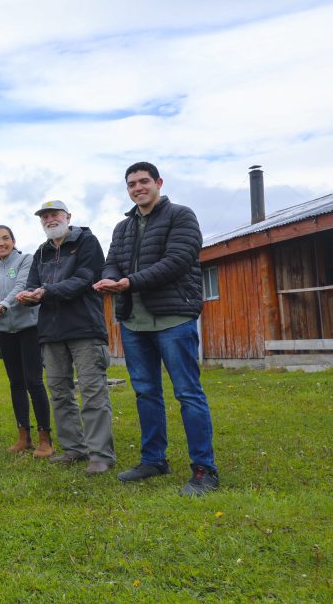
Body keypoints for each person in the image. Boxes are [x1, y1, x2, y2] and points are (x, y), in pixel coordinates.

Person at [94, 162, 219, 496]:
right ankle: (153, 460)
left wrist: (128, 281)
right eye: (131, 184)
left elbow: (177, 260)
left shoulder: (182, 216)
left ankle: (204, 469)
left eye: (143, 181)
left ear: (158, 182)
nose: (138, 188)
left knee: (188, 393)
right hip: (134, 322)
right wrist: (111, 278)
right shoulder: (122, 228)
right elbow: (111, 261)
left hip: (173, 319)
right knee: (146, 393)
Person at [16, 201, 115, 475]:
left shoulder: (87, 242)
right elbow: (32, 285)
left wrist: (45, 292)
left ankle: (100, 454)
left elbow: (85, 279)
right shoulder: (41, 252)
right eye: (44, 216)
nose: (49, 219)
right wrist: (27, 296)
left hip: (84, 328)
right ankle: (74, 448)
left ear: (68, 217)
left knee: (93, 392)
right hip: (51, 331)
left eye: (54, 214)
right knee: (59, 393)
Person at [0, 225, 54, 457]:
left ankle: (45, 438)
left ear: (13, 240)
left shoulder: (26, 260)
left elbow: (22, 287)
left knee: (34, 381)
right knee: (15, 383)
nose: (0, 243)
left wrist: (1, 307)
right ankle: (24, 436)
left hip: (29, 328)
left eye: (5, 238)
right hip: (5, 331)